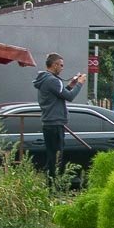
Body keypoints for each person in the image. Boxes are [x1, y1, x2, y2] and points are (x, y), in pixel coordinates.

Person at [33, 53, 85, 181]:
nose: (62, 68)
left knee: (52, 156)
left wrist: (71, 85)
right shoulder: (52, 80)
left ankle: (48, 181)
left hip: (49, 122)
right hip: (55, 123)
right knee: (56, 157)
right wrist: (79, 84)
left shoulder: (46, 79)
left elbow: (60, 94)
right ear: (54, 65)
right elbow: (69, 97)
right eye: (61, 65)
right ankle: (52, 185)